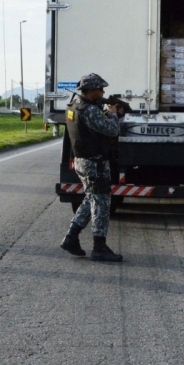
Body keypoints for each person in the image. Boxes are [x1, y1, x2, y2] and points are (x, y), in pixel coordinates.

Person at [59, 73, 123, 262]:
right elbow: (112, 130)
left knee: (91, 199)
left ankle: (71, 238)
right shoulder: (89, 111)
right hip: (93, 163)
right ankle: (99, 247)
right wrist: (112, 113)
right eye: (100, 89)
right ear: (92, 90)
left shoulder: (74, 107)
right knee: (101, 203)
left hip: (83, 160)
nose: (103, 92)